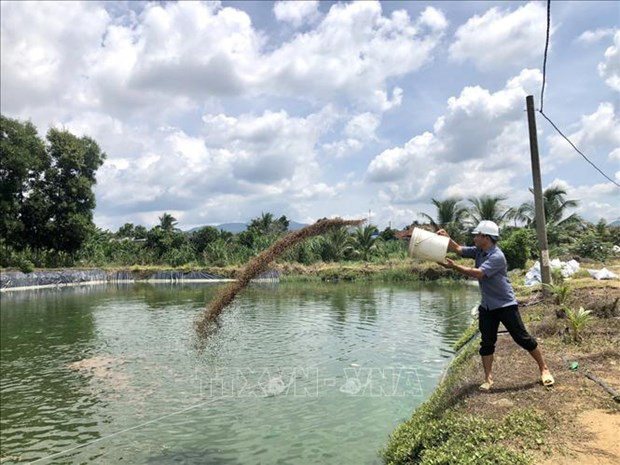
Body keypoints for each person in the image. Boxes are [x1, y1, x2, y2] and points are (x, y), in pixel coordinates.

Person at [436, 220, 554, 391]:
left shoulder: (496, 256)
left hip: (505, 305)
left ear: (486, 237)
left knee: (522, 338)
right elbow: (459, 250)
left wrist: (454, 267)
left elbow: (479, 274)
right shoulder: (479, 251)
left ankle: (544, 368)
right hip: (487, 307)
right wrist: (448, 239)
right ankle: (488, 379)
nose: (474, 238)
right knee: (487, 342)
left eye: (477, 235)